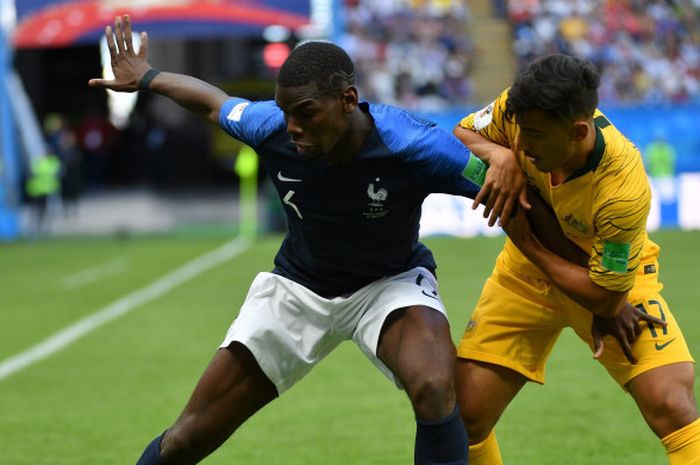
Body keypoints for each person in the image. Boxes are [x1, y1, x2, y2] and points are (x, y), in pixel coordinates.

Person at [89, 16, 521, 465]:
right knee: (188, 437)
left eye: (305, 113)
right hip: (297, 289)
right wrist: (149, 77)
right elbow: (214, 104)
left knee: (434, 385)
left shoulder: (413, 144)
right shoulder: (269, 126)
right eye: (285, 112)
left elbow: (507, 191)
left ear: (347, 101)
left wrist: (503, 164)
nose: (292, 126)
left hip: (388, 286)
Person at [452, 54, 699, 464]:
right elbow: (462, 132)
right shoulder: (518, 108)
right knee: (464, 418)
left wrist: (529, 243)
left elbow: (604, 299)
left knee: (671, 403)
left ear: (578, 131)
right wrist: (502, 157)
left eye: (534, 136)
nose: (523, 143)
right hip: (524, 279)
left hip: (609, 285)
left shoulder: (623, 187)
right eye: (519, 133)